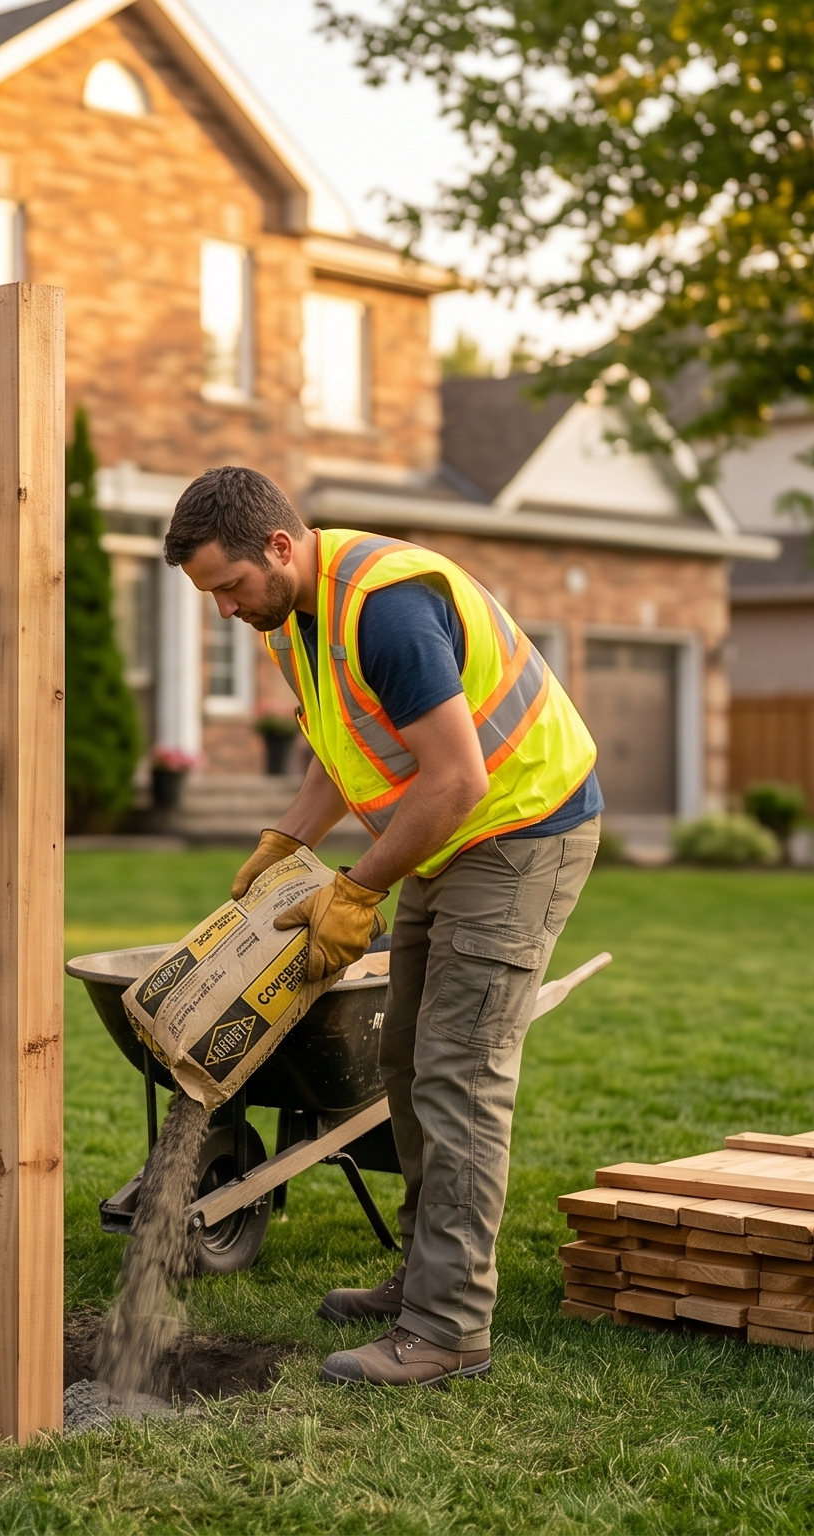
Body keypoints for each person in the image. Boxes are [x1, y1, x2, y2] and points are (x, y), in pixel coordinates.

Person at [163, 465, 602, 1388]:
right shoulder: (293, 616)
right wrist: (287, 837)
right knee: (403, 1056)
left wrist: (356, 890)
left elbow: (457, 780)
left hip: (522, 827)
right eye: (210, 595)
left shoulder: (386, 608)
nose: (224, 611)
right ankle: (423, 1279)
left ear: (278, 547)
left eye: (229, 587)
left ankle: (448, 1329)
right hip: (453, 837)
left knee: (459, 1072)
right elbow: (344, 743)